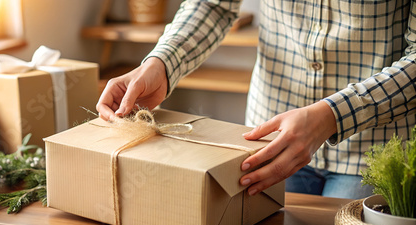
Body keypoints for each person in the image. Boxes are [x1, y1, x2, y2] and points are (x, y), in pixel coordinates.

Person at [97, 0, 416, 199]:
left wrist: (333, 115)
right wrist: (161, 64)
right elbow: (214, 5)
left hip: (374, 150)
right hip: (267, 140)